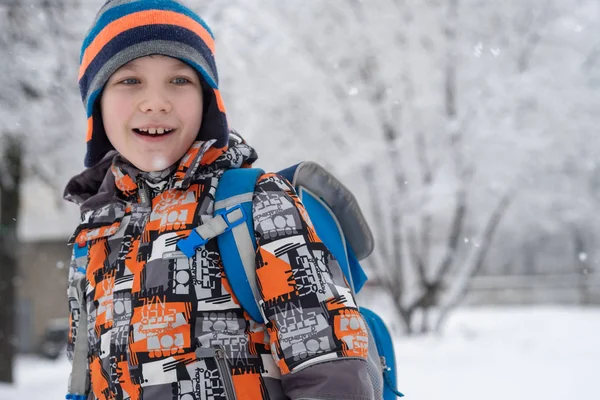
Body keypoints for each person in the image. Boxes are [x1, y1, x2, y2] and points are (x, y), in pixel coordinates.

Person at [63, 1, 374, 399]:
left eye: (179, 81)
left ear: (209, 101)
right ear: (97, 105)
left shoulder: (255, 203)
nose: (156, 101)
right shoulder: (94, 235)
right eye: (129, 81)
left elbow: (330, 369)